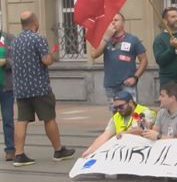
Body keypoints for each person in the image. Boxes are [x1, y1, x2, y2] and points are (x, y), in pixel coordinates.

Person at [12, 11, 74, 166]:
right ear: (35, 23)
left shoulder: (15, 41)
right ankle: (58, 150)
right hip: (39, 88)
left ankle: (19, 154)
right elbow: (46, 60)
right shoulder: (38, 38)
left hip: (21, 88)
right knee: (49, 118)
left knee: (22, 120)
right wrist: (51, 56)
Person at [91, 13, 148, 103]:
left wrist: (135, 77)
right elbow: (94, 55)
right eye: (111, 21)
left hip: (127, 84)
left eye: (116, 20)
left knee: (131, 112)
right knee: (116, 114)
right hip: (110, 84)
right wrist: (106, 37)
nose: (113, 23)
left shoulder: (132, 39)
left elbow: (144, 60)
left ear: (123, 23)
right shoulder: (105, 39)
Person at [82, 91, 156, 157]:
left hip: (142, 151)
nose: (118, 110)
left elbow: (143, 130)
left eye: (121, 107)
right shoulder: (116, 117)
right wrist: (90, 151)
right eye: (115, 108)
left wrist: (125, 133)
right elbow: (105, 136)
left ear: (130, 102)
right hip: (123, 152)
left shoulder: (144, 112)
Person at [153, 7, 177, 107]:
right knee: (170, 111)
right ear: (165, 21)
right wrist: (171, 48)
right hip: (169, 83)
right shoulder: (160, 39)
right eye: (173, 17)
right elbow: (160, 60)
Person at [0, 29, 15, 161]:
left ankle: (10, 149)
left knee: (8, 119)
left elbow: (16, 59)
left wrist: (6, 62)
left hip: (6, 87)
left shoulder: (9, 38)